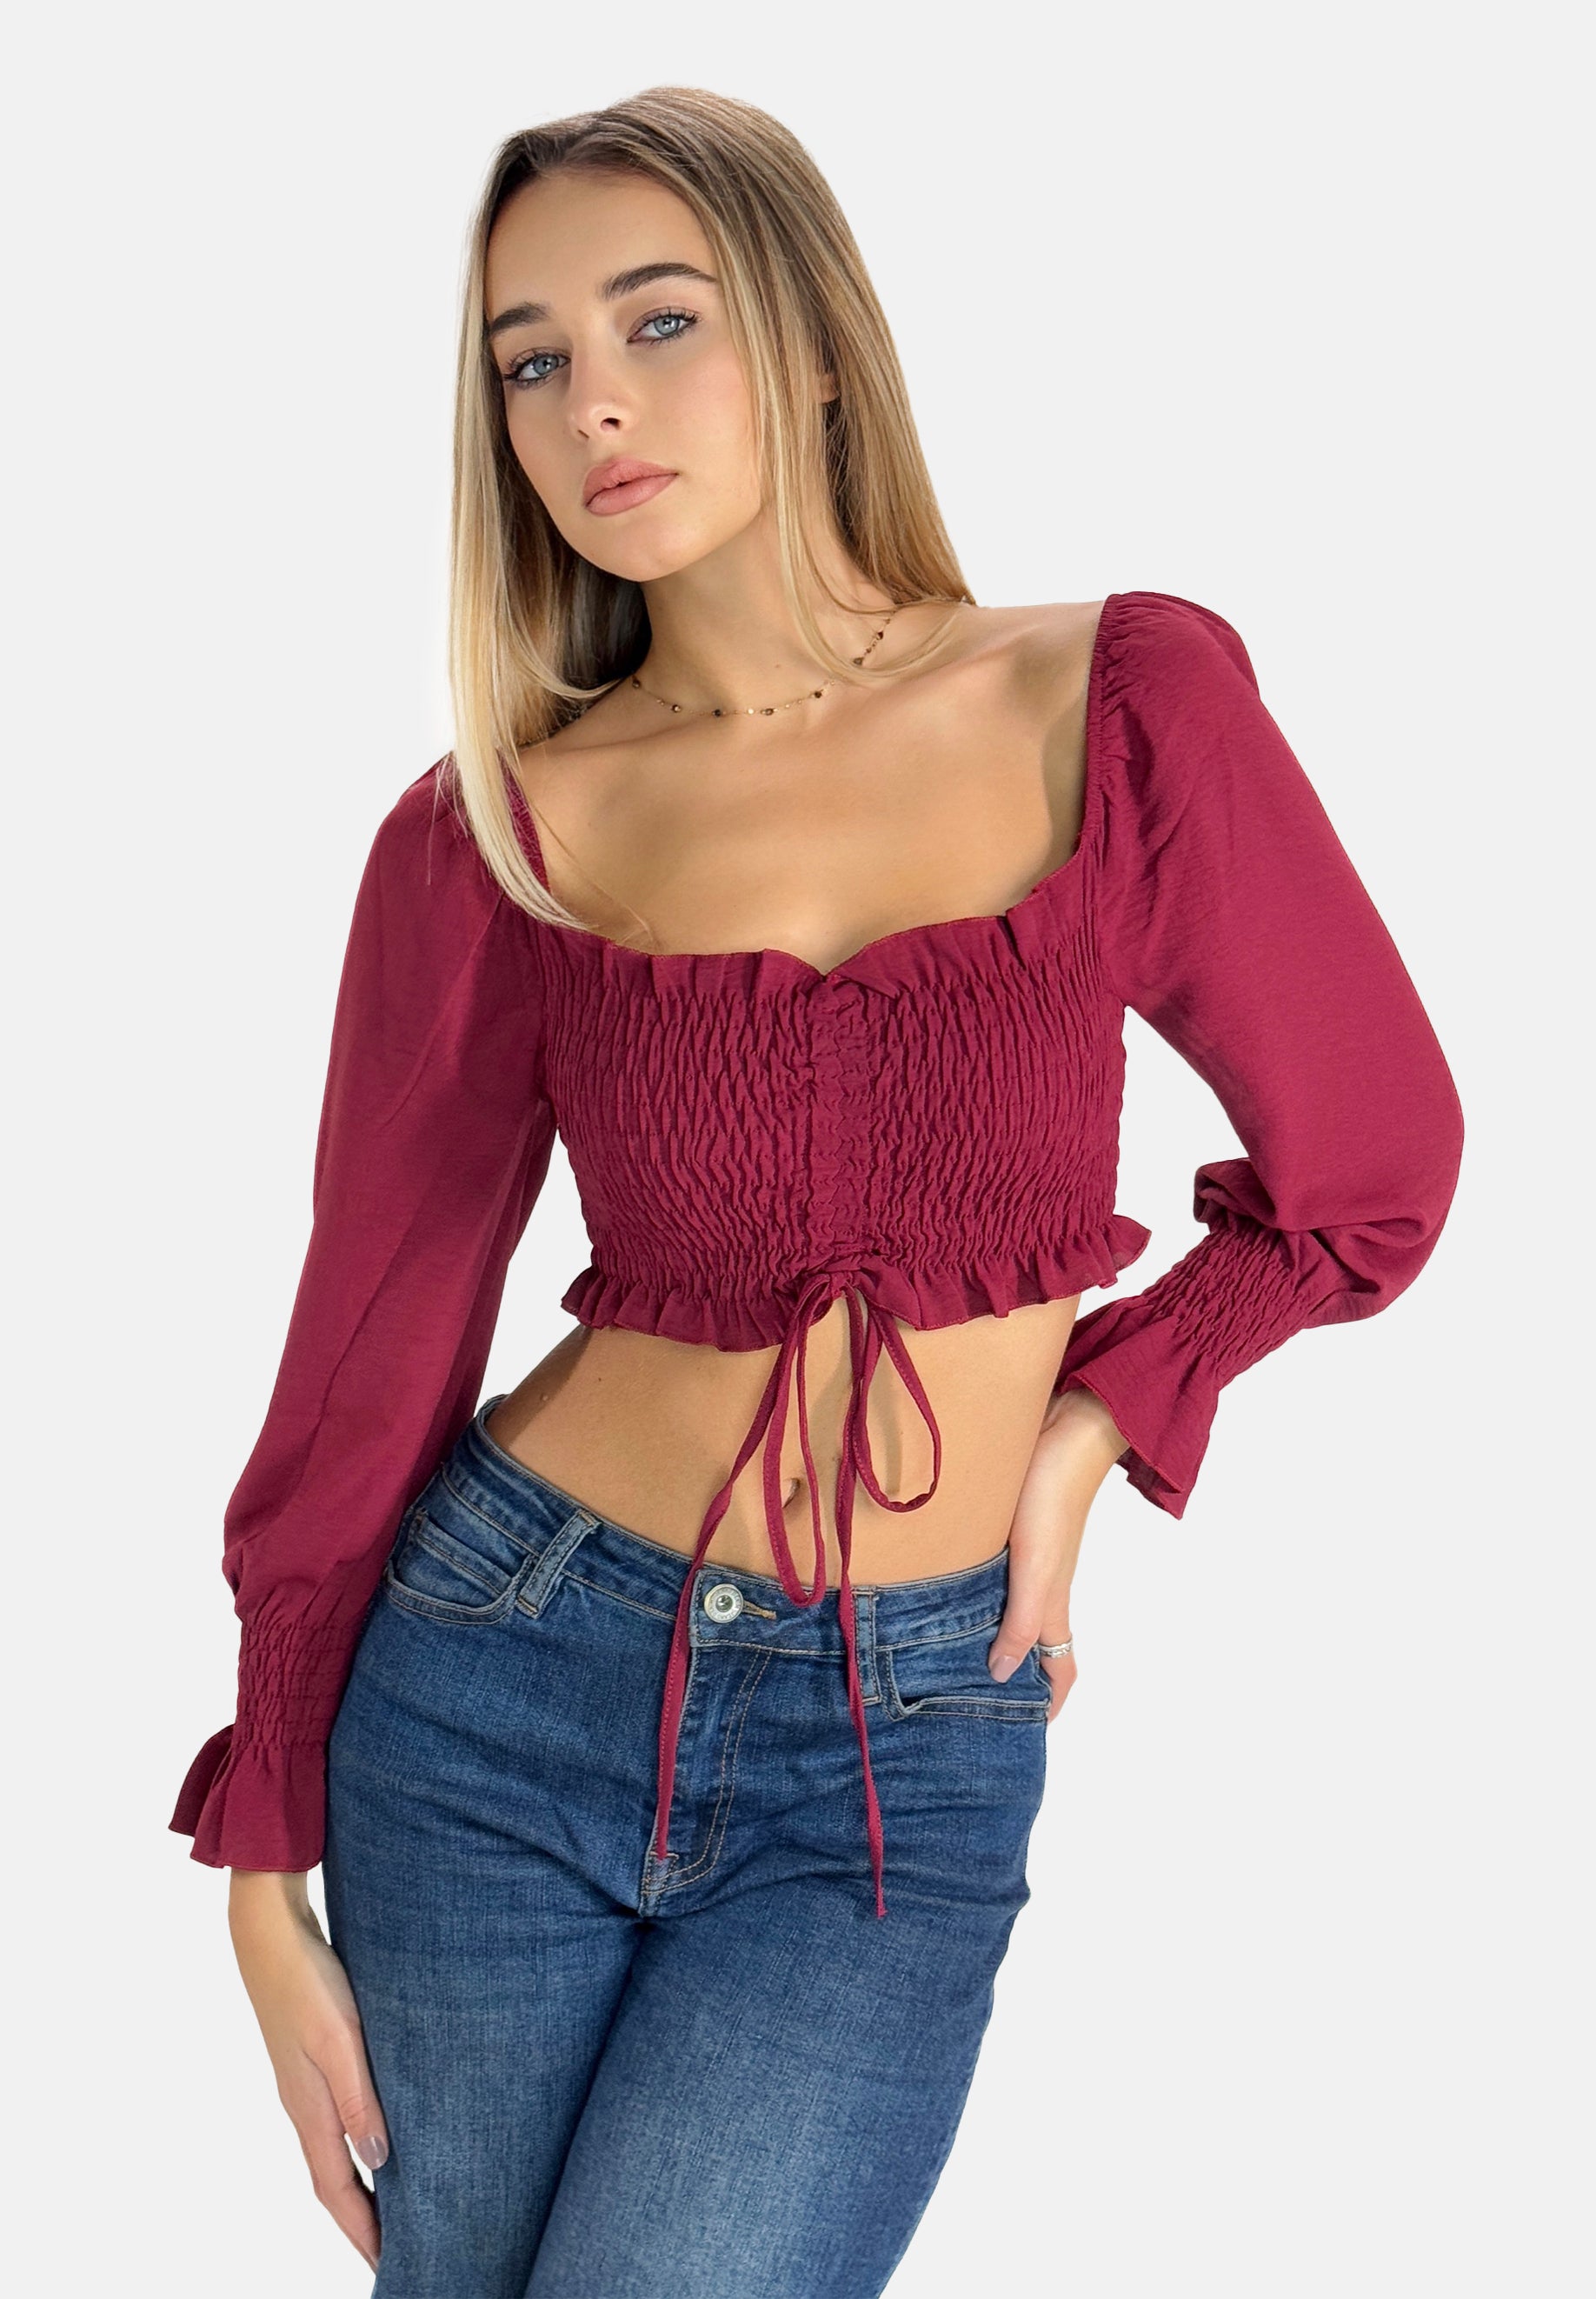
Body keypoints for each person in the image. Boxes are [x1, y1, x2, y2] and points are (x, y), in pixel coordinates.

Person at [169, 85, 1466, 2298]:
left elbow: (1372, 1161)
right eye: (530, 360)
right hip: (496, 1682)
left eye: (657, 321)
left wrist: (1101, 1417)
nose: (593, 403)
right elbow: (377, 1324)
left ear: (814, 336)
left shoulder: (1115, 701)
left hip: (898, 1745)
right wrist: (262, 1850)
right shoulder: (495, 829)